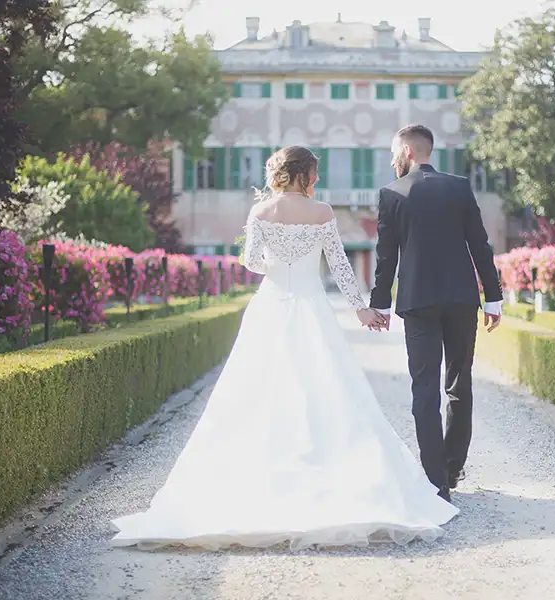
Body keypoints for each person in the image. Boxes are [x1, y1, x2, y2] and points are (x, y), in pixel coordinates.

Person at [110, 146, 458, 551]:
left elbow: (252, 262)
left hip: (271, 307)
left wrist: (278, 255)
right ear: (305, 174)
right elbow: (341, 267)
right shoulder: (323, 212)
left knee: (256, 394)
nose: (316, 180)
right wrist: (362, 308)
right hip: (312, 308)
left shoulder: (260, 213)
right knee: (327, 392)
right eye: (314, 173)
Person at [369, 125, 503, 502]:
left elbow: (386, 256)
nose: (393, 159)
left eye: (395, 152)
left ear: (408, 152)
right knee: (460, 383)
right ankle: (453, 465)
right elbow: (480, 245)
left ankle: (436, 482)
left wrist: (379, 303)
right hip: (462, 298)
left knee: (424, 388)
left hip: (418, 300)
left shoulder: (391, 193)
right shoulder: (459, 187)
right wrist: (493, 297)